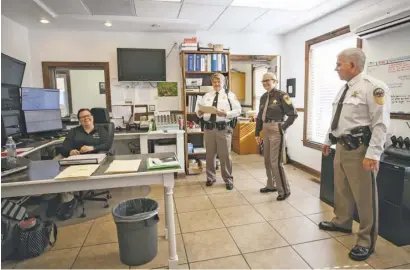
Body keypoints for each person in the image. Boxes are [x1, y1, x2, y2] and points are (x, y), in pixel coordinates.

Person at [319, 48, 390, 261]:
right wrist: (328, 139)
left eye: (339, 64)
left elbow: (381, 124)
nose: (336, 68)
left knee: (365, 197)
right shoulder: (345, 89)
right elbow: (338, 118)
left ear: (353, 65)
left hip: (361, 150)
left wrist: (373, 154)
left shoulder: (374, 87)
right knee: (342, 189)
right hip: (341, 147)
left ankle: (366, 240)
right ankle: (342, 221)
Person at [50, 108, 111, 220]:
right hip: (75, 158)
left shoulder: (101, 130)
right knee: (55, 166)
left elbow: (106, 145)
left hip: (93, 158)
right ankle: (55, 196)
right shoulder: (74, 131)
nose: (85, 118)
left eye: (88, 116)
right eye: (82, 117)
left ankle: (67, 202)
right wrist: (70, 151)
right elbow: (64, 146)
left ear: (92, 117)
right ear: (79, 120)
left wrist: (92, 148)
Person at [255, 72, 298, 201]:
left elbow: (293, 114)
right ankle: (271, 185)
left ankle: (284, 190)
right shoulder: (263, 97)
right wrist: (257, 133)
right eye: (263, 81)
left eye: (268, 80)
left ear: (275, 81)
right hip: (265, 129)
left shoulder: (282, 95)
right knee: (267, 160)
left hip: (276, 129)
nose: (265, 83)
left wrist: (282, 128)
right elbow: (259, 117)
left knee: (276, 162)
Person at [196, 73, 242, 190]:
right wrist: (199, 113)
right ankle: (210, 178)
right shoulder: (206, 95)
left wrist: (226, 113)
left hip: (223, 129)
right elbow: (198, 110)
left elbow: (238, 110)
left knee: (225, 155)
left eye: (219, 82)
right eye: (214, 82)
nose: (216, 84)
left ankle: (228, 180)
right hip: (209, 128)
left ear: (223, 82)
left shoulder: (229, 95)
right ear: (212, 83)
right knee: (209, 155)